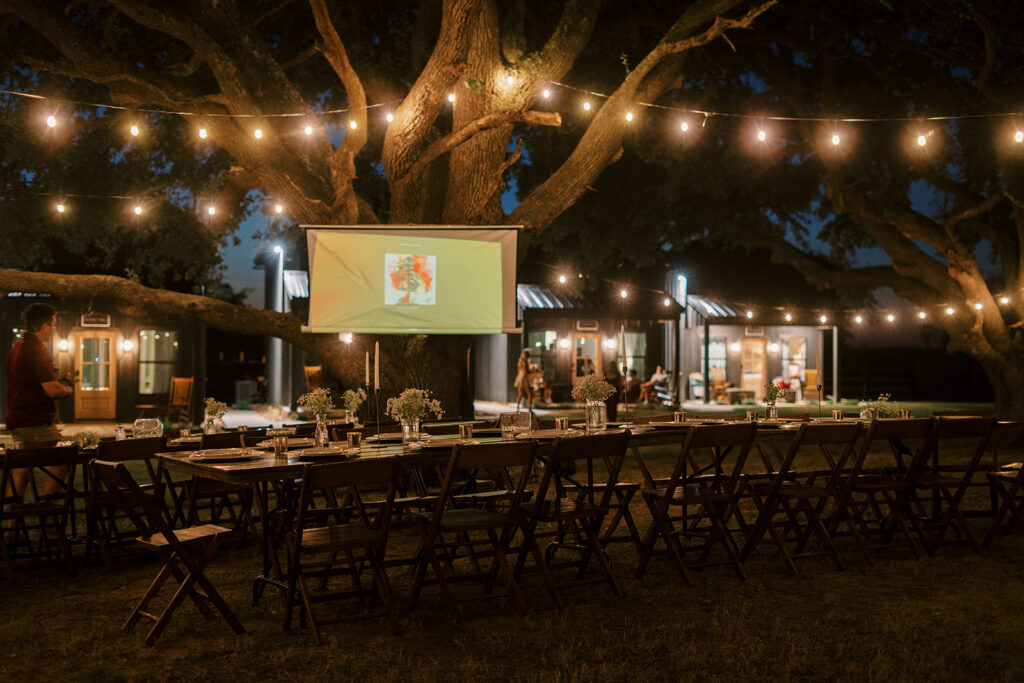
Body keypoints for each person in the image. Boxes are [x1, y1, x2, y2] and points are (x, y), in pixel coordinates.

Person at [5, 303, 72, 494]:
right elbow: (52, 390)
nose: (54, 328)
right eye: (53, 324)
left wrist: (58, 381)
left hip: (19, 420)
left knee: (22, 470)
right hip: (35, 422)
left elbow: (32, 384)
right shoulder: (36, 348)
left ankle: (12, 511)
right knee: (65, 459)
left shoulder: (18, 346)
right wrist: (66, 390)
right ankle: (49, 506)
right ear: (45, 325)